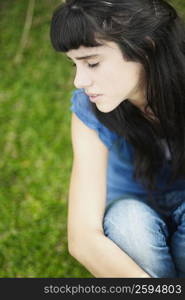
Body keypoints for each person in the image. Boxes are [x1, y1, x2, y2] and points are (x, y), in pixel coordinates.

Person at [50, 0, 185, 278]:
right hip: (134, 217)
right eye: (74, 64)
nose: (79, 81)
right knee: (128, 224)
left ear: (146, 46)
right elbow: (83, 238)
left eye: (93, 62)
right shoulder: (88, 110)